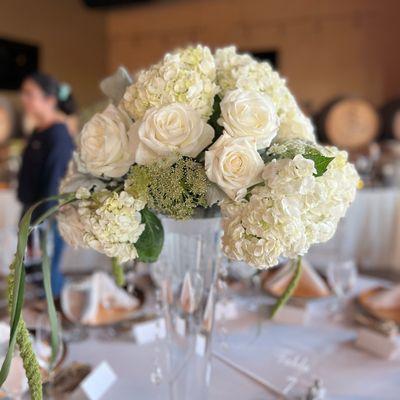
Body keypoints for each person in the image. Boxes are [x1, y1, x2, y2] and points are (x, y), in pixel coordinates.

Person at [17, 72, 76, 297]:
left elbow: (55, 183)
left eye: (30, 94)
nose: (24, 98)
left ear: (50, 100)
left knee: (48, 279)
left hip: (47, 218)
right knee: (32, 275)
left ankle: (52, 325)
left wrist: (40, 221)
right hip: (32, 215)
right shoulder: (37, 131)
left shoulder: (58, 134)